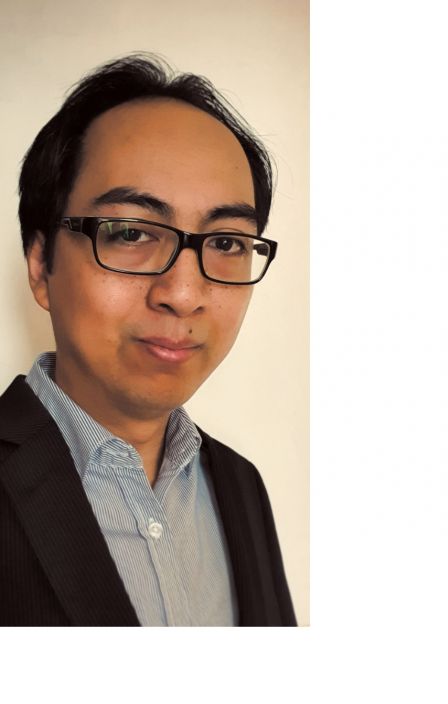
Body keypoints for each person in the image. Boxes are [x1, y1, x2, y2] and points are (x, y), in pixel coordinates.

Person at [0, 54, 296, 627]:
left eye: (227, 243)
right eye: (131, 232)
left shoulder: (241, 486)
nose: (183, 294)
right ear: (40, 264)